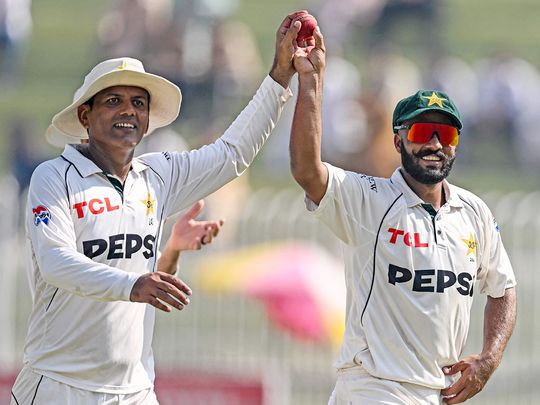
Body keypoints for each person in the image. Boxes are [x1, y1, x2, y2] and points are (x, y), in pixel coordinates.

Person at [11, 10, 307, 404]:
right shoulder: (54, 178)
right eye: (113, 101)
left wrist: (280, 76)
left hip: (134, 391)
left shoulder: (157, 175)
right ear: (86, 115)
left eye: (138, 102)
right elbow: (56, 263)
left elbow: (233, 154)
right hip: (58, 386)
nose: (128, 111)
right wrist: (133, 285)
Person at [289, 27, 517, 404]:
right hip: (373, 387)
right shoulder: (368, 199)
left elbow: (503, 288)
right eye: (423, 131)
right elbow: (306, 171)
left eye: (446, 135)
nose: (434, 144)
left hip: (439, 393)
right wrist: (311, 81)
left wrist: (489, 359)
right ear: (398, 140)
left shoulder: (474, 211)